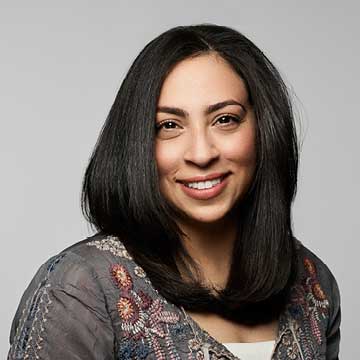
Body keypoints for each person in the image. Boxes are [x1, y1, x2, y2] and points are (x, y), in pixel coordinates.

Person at [8, 23, 341, 360]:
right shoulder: (83, 288)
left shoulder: (313, 284)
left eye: (225, 119)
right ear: (138, 143)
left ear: (265, 128)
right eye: (169, 126)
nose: (201, 153)